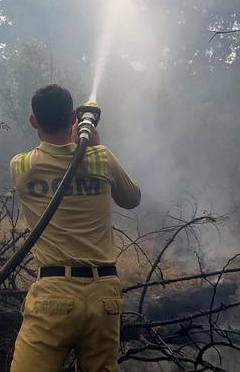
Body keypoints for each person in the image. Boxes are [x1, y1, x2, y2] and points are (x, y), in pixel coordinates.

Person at [9, 84, 141, 372]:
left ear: (34, 121)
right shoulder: (101, 158)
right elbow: (132, 199)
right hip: (104, 297)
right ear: (73, 118)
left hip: (53, 297)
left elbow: (53, 156)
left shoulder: (22, 166)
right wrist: (91, 142)